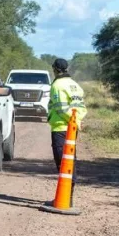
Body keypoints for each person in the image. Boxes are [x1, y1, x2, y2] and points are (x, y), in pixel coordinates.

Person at [47, 58, 87, 203]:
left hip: (61, 128)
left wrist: (71, 121)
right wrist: (77, 121)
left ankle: (65, 198)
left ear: (55, 69)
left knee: (63, 163)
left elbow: (60, 108)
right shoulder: (75, 85)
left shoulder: (57, 85)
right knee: (70, 160)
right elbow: (81, 108)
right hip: (72, 128)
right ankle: (67, 197)